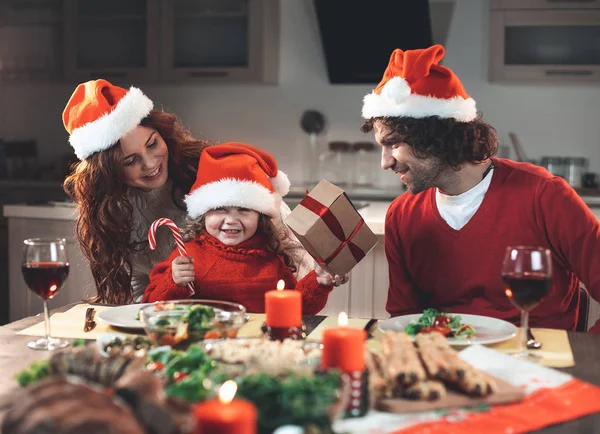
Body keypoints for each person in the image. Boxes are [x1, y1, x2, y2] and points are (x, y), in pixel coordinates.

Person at [361, 44, 600, 332]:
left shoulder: (544, 195)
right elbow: (404, 321)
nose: (385, 163)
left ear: (435, 138)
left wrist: (584, 354)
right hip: (450, 368)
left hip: (538, 366)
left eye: (393, 145)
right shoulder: (401, 216)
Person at [62, 79, 313, 305]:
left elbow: (293, 249)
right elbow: (139, 291)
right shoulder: (115, 216)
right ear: (107, 172)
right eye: (130, 161)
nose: (150, 163)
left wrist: (297, 300)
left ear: (162, 133)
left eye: (152, 144)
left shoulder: (209, 170)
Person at [143, 143, 342, 314]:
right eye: (220, 209)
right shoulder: (189, 254)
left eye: (243, 210)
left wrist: (318, 281)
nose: (231, 220)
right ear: (204, 214)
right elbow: (151, 306)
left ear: (260, 216)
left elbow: (296, 310)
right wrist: (174, 281)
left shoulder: (271, 260)